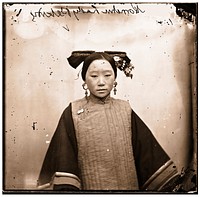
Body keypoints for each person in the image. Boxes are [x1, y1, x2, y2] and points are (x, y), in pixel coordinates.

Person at [37, 51, 181, 191]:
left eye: (107, 75)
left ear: (115, 78)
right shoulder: (73, 111)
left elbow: (149, 155)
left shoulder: (125, 109)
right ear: (84, 79)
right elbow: (64, 160)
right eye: (94, 76)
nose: (101, 82)